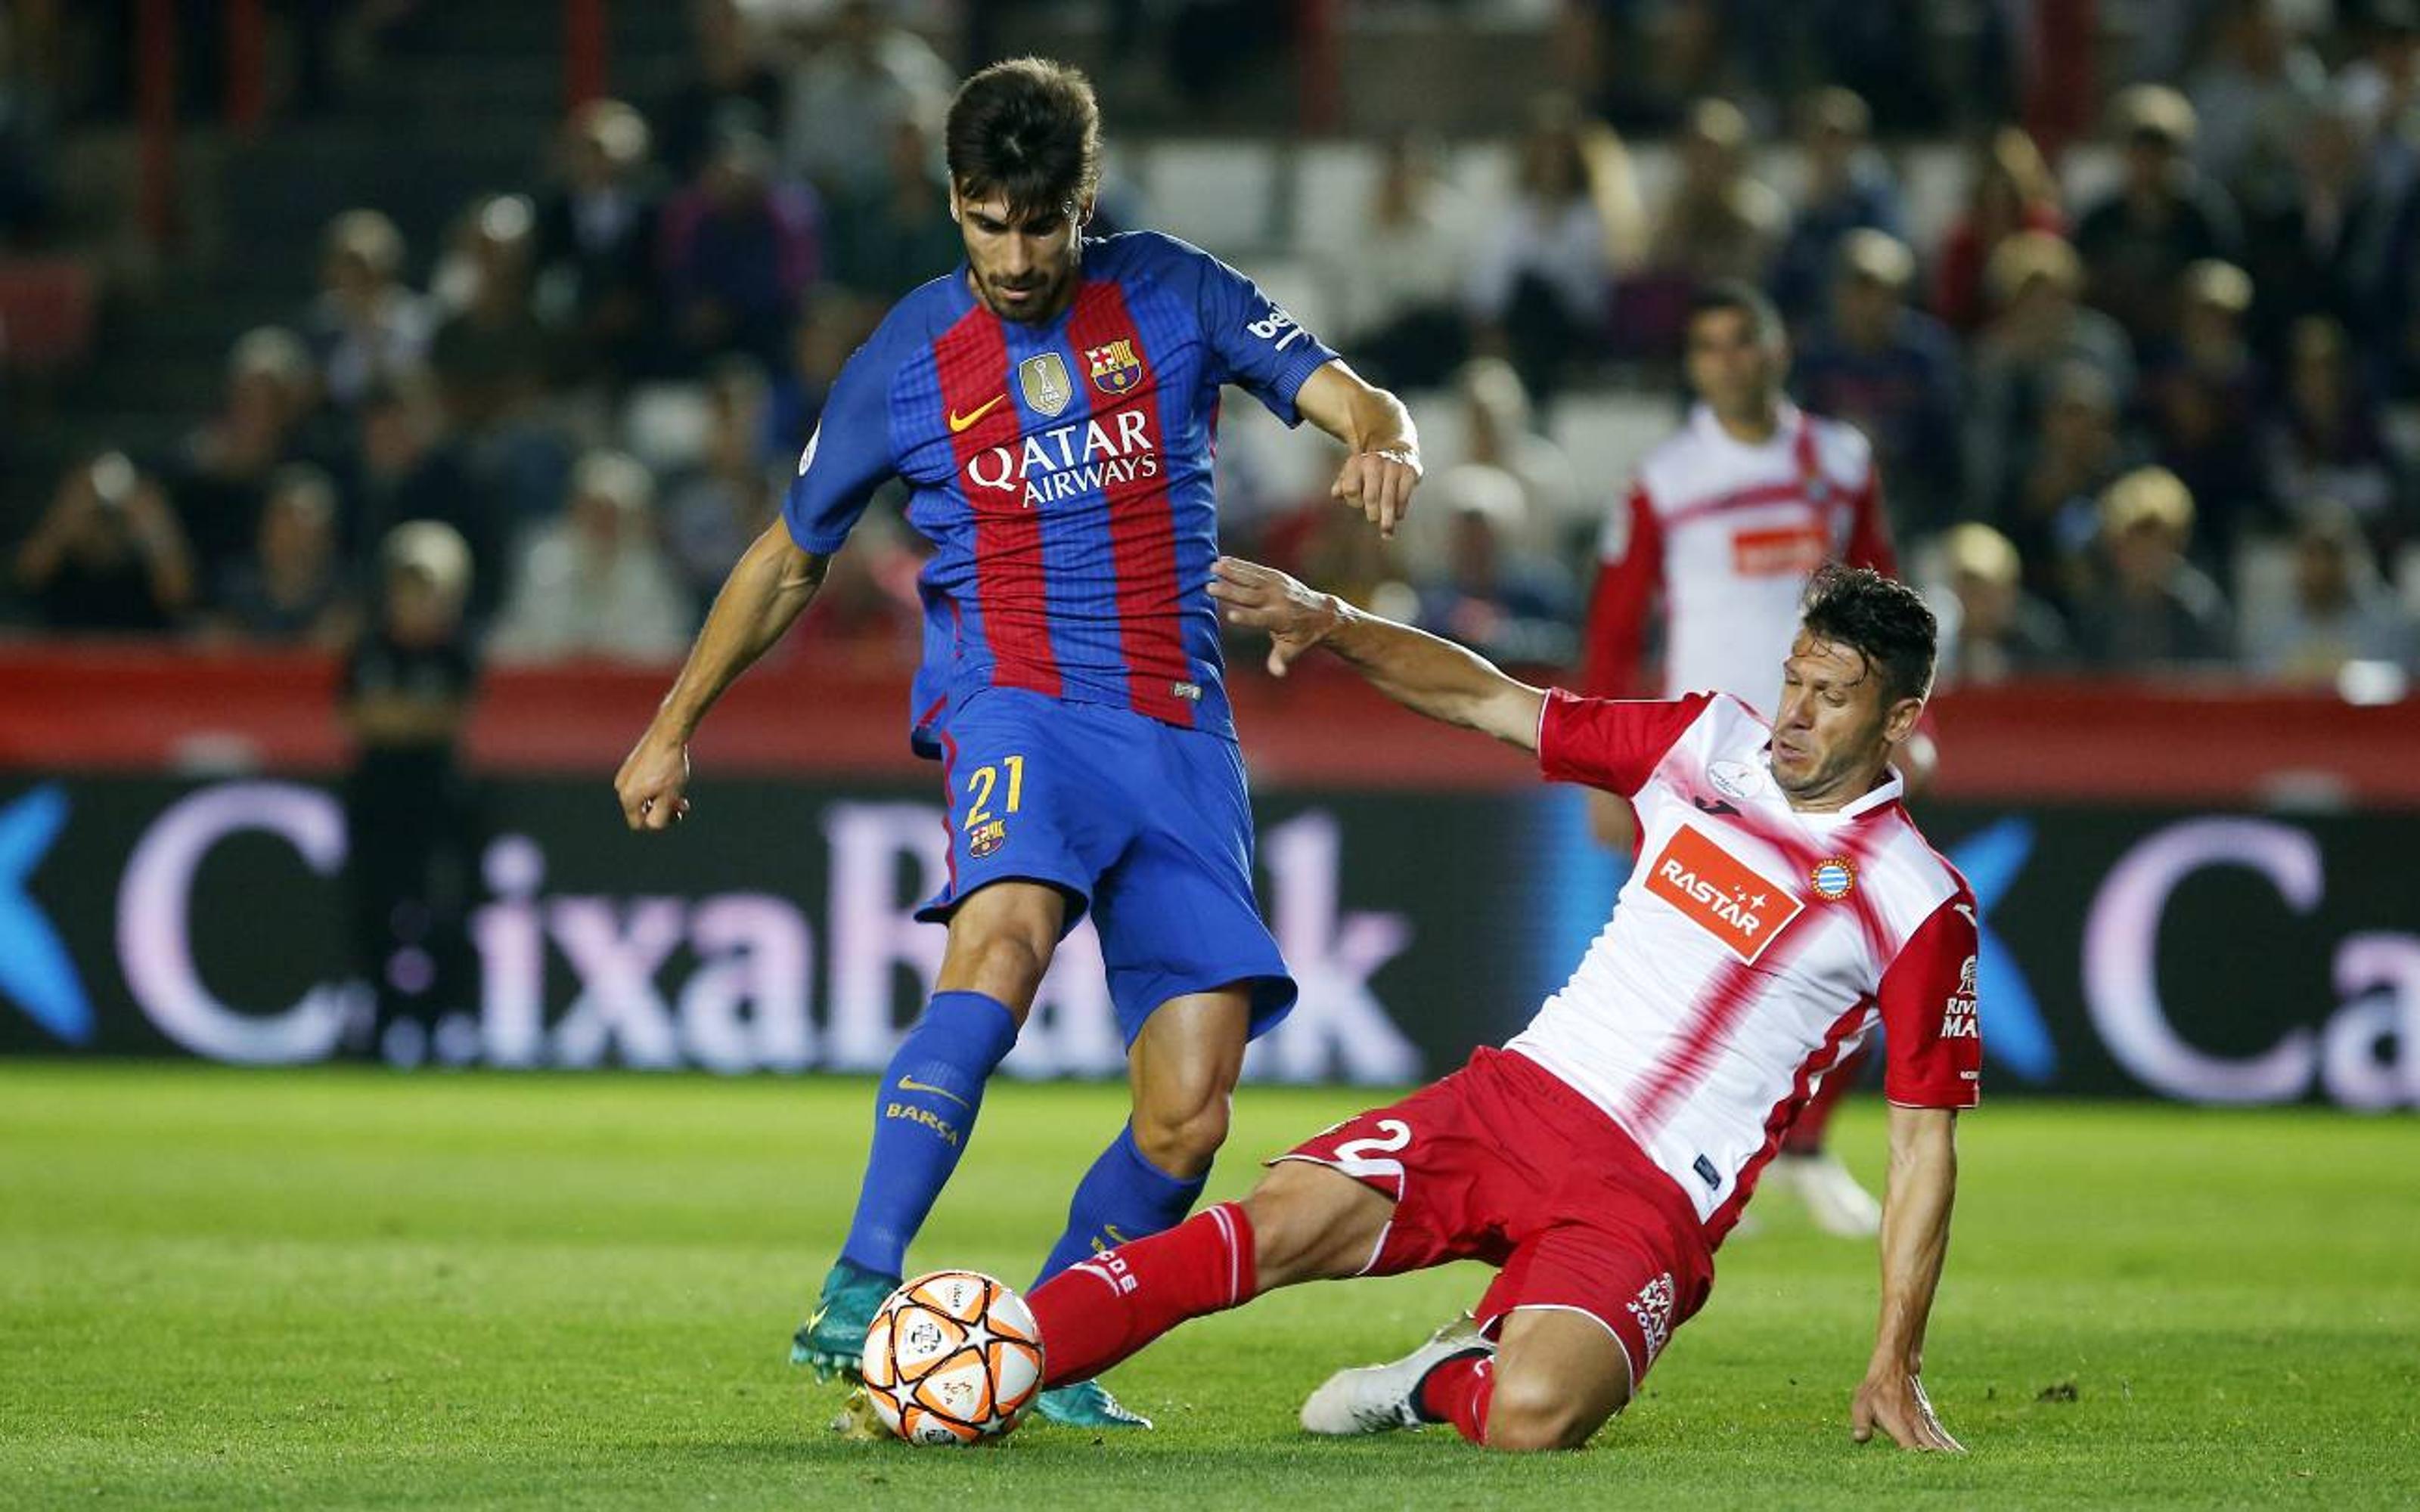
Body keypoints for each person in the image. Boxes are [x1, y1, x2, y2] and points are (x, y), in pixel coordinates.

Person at [610, 57, 1422, 1430]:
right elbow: (791, 556)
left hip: (1176, 731)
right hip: (1017, 705)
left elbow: (1352, 396)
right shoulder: (908, 355)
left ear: (1083, 202)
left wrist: (1382, 436)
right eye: (988, 224)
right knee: (1004, 937)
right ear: (954, 204)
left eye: (1042, 224)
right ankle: (865, 1281)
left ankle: (1040, 1353)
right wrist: (670, 725)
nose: (1018, 256)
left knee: (1191, 1113)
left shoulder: (1172, 288)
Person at [1006, 555, 1980, 1452]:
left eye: (1833, 696)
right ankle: (1000, 1350)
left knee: (1532, 1414)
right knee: (1274, 1224)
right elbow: (1486, 698)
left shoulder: (1915, 900)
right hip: (1513, 1100)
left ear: (1896, 721)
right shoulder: (1702, 743)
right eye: (1793, 681)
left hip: (1650, 1196)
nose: (1795, 715)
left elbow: (1917, 1146)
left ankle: (1440, 1378)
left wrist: (1894, 1358)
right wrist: (1333, 619)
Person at [1575, 280, 1903, 1236]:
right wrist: (1602, 765)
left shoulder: (1841, 462)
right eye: (1708, 346)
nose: (1728, 361)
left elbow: (1884, 599)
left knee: (1849, 948)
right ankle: (1684, 1154)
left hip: (1830, 745)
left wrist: (1902, 719)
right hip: (1706, 756)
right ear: (1693, 364)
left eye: (1742, 341)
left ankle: (1803, 1146)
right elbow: (1613, 627)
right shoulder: (1664, 476)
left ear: (1776, 349)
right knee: (1687, 952)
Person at [342, 522, 482, 1067]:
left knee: (444, 919)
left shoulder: (455, 652)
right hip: (377, 803)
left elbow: (443, 718)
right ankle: (377, 1028)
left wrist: (395, 718)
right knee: (375, 916)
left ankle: (441, 1029)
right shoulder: (369, 648)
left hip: (436, 804)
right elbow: (358, 716)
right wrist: (411, 719)